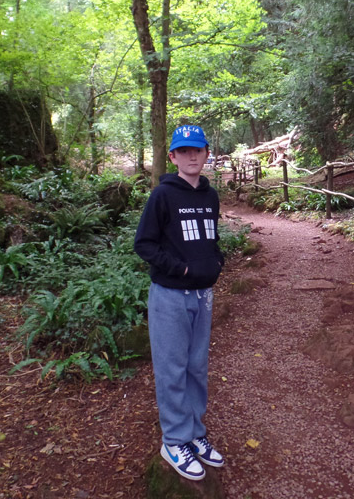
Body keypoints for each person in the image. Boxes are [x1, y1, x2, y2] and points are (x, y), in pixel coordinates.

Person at [133, 124, 226, 481]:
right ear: (172, 156)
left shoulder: (210, 196)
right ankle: (173, 440)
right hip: (170, 295)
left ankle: (194, 433)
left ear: (206, 154)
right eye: (183, 150)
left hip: (204, 295)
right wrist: (182, 269)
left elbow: (211, 239)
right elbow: (144, 244)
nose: (191, 156)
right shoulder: (162, 196)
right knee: (172, 369)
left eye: (197, 150)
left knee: (196, 368)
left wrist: (215, 263)